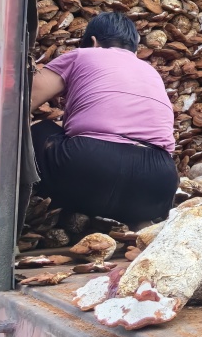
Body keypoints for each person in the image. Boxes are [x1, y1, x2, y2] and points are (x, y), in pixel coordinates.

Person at [30, 12, 178, 227]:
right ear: (134, 49)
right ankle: (139, 223)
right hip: (159, 181)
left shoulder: (83, 55)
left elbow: (27, 98)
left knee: (40, 130)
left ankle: (30, 209)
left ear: (93, 42)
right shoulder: (150, 71)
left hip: (89, 167)